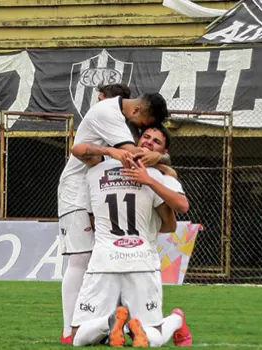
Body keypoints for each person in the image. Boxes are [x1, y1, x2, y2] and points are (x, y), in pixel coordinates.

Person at [59, 92, 169, 344]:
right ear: (138, 110)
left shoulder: (119, 116)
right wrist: (163, 159)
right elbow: (136, 157)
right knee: (80, 260)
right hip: (77, 191)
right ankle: (68, 330)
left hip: (100, 190)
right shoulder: (108, 114)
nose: (142, 130)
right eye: (145, 124)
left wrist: (160, 160)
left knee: (97, 259)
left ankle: (107, 325)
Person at [70, 128, 193, 347]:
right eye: (146, 137)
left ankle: (114, 325)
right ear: (135, 140)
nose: (148, 143)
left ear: (163, 151)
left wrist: (149, 178)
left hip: (120, 261)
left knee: (79, 338)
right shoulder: (156, 174)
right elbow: (171, 223)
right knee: (150, 335)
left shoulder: (99, 170)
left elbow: (180, 209)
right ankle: (151, 322)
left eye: (156, 141)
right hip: (122, 260)